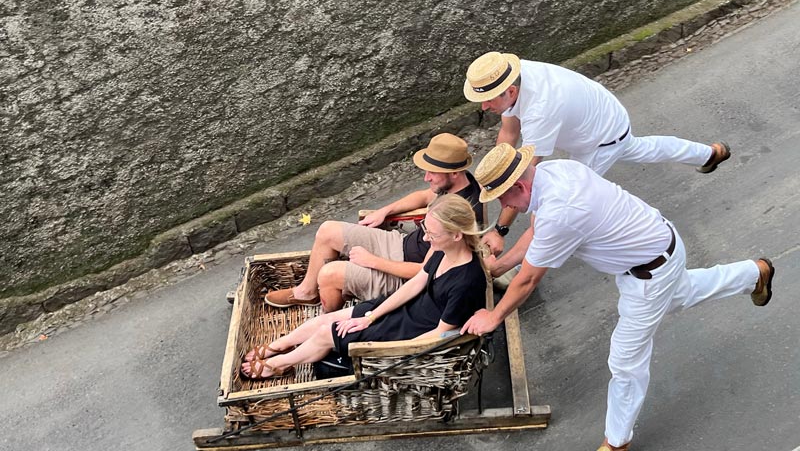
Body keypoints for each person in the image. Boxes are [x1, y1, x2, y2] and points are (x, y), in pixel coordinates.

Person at [462, 143, 775, 451]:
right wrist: (501, 265)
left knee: (625, 361)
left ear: (517, 185)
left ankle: (616, 443)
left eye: (502, 196)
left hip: (648, 275)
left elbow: (528, 279)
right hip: (660, 243)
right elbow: (535, 234)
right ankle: (753, 274)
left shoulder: (561, 211)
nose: (506, 205)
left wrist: (493, 316)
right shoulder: (552, 170)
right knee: (682, 293)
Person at [464, 51, 731, 255]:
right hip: (604, 113)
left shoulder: (540, 108)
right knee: (639, 148)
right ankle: (709, 154)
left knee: (553, 203)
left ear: (510, 91)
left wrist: (500, 230)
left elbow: (522, 181)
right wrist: (490, 182)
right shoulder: (508, 75)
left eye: (488, 101)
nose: (485, 107)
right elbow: (508, 135)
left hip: (598, 141)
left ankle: (526, 261)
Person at [242, 194, 489, 379]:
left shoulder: (466, 281)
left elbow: (438, 334)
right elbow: (414, 285)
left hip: (411, 329)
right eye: (426, 230)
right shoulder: (442, 250)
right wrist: (371, 316)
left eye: (432, 235)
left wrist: (390, 352)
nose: (425, 239)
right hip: (407, 309)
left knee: (327, 333)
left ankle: (280, 364)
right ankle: (279, 345)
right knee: (328, 320)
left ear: (457, 235)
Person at [265, 133, 484, 312]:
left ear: (455, 172)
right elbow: (424, 196)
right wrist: (384, 210)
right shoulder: (453, 184)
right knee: (327, 230)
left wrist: (371, 261)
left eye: (432, 173)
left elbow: (422, 271)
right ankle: (307, 292)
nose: (426, 177)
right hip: (400, 244)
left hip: (403, 278)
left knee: (329, 274)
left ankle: (331, 324)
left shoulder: (460, 213)